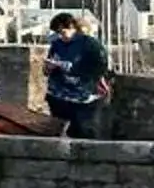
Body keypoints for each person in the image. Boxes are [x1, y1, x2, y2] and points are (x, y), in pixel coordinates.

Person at [45, 11, 112, 139]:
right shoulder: (57, 45)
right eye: (58, 33)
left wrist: (74, 69)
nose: (60, 36)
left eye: (62, 32)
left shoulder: (90, 44)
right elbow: (49, 65)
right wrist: (49, 68)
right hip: (58, 95)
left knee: (84, 132)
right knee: (59, 131)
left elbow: (101, 65)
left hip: (83, 96)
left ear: (72, 27)